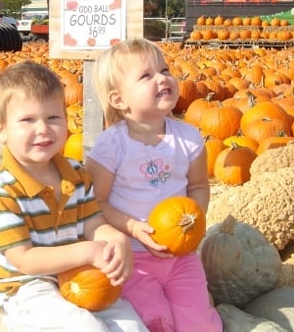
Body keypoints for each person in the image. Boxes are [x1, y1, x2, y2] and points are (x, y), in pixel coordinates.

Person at [0, 60, 149, 332]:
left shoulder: (76, 174)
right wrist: (88, 251)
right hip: (26, 290)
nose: (42, 129)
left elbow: (93, 224)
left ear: (67, 121)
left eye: (53, 118)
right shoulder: (0, 194)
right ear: (1, 129)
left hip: (79, 277)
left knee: (131, 326)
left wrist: (113, 237)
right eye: (28, 120)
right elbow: (25, 260)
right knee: (87, 328)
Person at [85, 38, 223, 332]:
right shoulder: (111, 145)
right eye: (146, 76)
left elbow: (198, 186)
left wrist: (193, 219)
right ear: (119, 100)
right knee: (153, 321)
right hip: (132, 258)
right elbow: (95, 203)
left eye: (164, 69)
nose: (162, 78)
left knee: (197, 323)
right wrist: (134, 227)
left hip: (181, 256)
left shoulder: (188, 138)